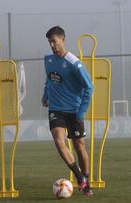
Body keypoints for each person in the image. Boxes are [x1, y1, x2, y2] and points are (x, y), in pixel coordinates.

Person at [42, 26, 94, 196]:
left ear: (63, 40)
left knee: (79, 147)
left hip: (74, 111)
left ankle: (86, 178)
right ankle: (80, 178)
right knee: (59, 141)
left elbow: (89, 87)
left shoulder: (74, 63)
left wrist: (81, 112)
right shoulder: (48, 60)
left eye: (54, 41)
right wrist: (45, 94)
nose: (52, 45)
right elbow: (49, 79)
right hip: (56, 108)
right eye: (49, 42)